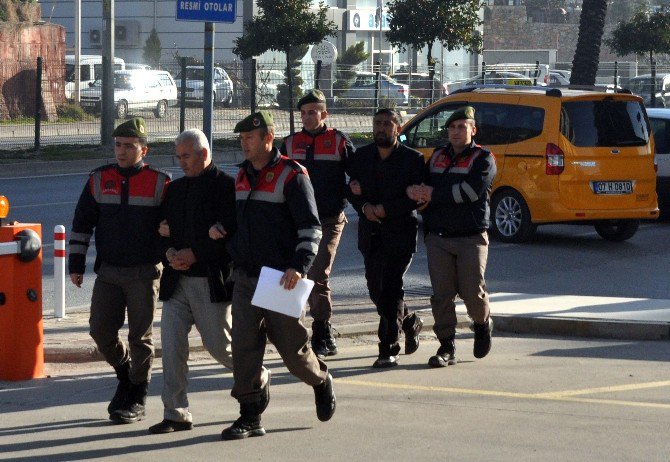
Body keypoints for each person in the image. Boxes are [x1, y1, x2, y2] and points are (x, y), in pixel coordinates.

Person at [214, 111, 335, 440]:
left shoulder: (291, 175)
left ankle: (320, 380)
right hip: (246, 277)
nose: (244, 143)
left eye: (249, 138)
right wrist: (223, 229)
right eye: (241, 139)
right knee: (244, 348)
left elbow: (311, 227)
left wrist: (299, 265)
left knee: (292, 351)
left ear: (268, 139)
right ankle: (249, 415)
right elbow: (238, 219)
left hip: (280, 278)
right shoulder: (241, 176)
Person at [148, 129, 270, 434]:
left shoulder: (227, 188)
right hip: (176, 282)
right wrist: (171, 251)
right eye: (178, 157)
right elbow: (162, 230)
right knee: (172, 347)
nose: (182, 162)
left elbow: (231, 239)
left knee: (220, 348)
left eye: (186, 156)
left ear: (204, 154)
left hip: (210, 282)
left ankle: (258, 378)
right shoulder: (174, 191)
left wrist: (195, 253)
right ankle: (175, 412)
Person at [68, 117, 170, 423]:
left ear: (144, 150)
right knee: (100, 330)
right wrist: (76, 264)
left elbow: (173, 225)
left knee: (141, 337)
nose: (121, 151)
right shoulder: (99, 179)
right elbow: (82, 223)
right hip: (109, 272)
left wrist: (169, 232)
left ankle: (137, 395)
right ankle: (126, 373)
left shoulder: (160, 182)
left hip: (144, 272)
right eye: (118, 145)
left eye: (129, 146)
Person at [407, 106, 496, 367]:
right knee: (441, 295)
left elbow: (470, 192)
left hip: (471, 237)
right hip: (438, 237)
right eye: (452, 127)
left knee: (472, 292)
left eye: (461, 127)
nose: (456, 132)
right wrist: (416, 191)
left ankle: (482, 325)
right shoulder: (436, 157)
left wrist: (433, 194)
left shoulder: (483, 158)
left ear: (473, 130)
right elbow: (423, 186)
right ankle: (447, 346)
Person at [280, 89, 355, 359]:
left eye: (312, 112)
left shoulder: (338, 141)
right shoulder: (289, 143)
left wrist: (348, 196)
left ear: (324, 114)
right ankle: (290, 332)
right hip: (296, 221)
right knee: (294, 273)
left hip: (329, 219)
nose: (306, 117)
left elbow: (357, 176)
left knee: (317, 274)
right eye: (303, 113)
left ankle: (323, 331)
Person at [348, 108, 425, 369]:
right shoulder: (361, 156)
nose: (381, 128)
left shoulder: (412, 160)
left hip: (400, 234)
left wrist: (386, 210)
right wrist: (364, 205)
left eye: (387, 124)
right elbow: (351, 190)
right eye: (377, 123)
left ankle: (388, 348)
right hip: (370, 235)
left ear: (398, 129)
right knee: (375, 289)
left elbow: (415, 197)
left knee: (391, 288)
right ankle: (409, 321)